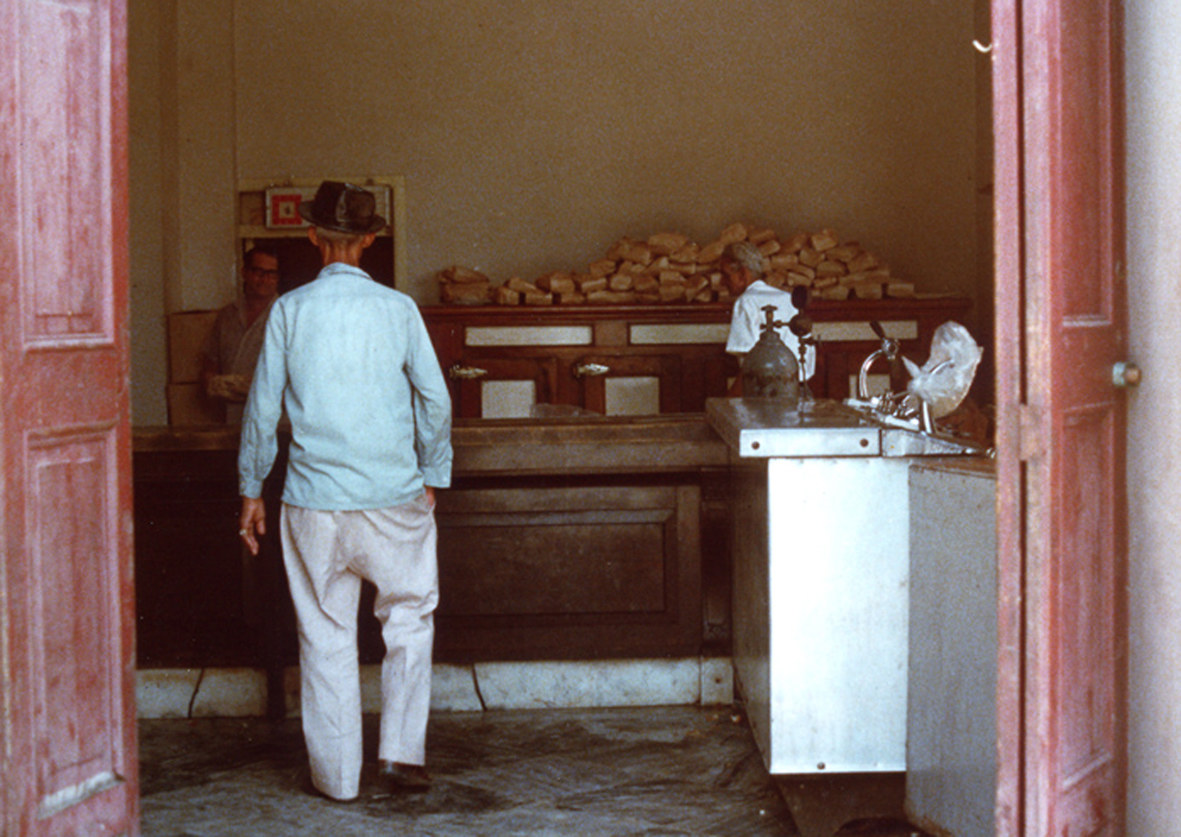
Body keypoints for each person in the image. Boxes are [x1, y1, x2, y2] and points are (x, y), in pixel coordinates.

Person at [236, 181, 453, 801]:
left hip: (314, 503)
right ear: (369, 238)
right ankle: (403, 757)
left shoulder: (289, 310)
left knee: (326, 635)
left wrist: (252, 490)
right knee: (409, 617)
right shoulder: (399, 309)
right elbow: (434, 401)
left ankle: (336, 781)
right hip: (393, 497)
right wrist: (432, 472)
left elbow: (260, 408)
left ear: (311, 236)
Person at [201, 243, 281, 422]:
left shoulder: (288, 316)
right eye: (258, 272)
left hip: (273, 422)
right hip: (231, 421)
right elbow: (209, 371)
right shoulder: (226, 316)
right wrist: (219, 386)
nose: (264, 279)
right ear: (244, 273)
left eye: (271, 274)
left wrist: (234, 386)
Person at [722, 241, 815, 393]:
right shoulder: (788, 298)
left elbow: (750, 367)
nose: (722, 282)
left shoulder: (746, 301)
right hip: (801, 392)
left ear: (743, 274)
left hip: (765, 395)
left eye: (726, 275)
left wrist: (728, 404)